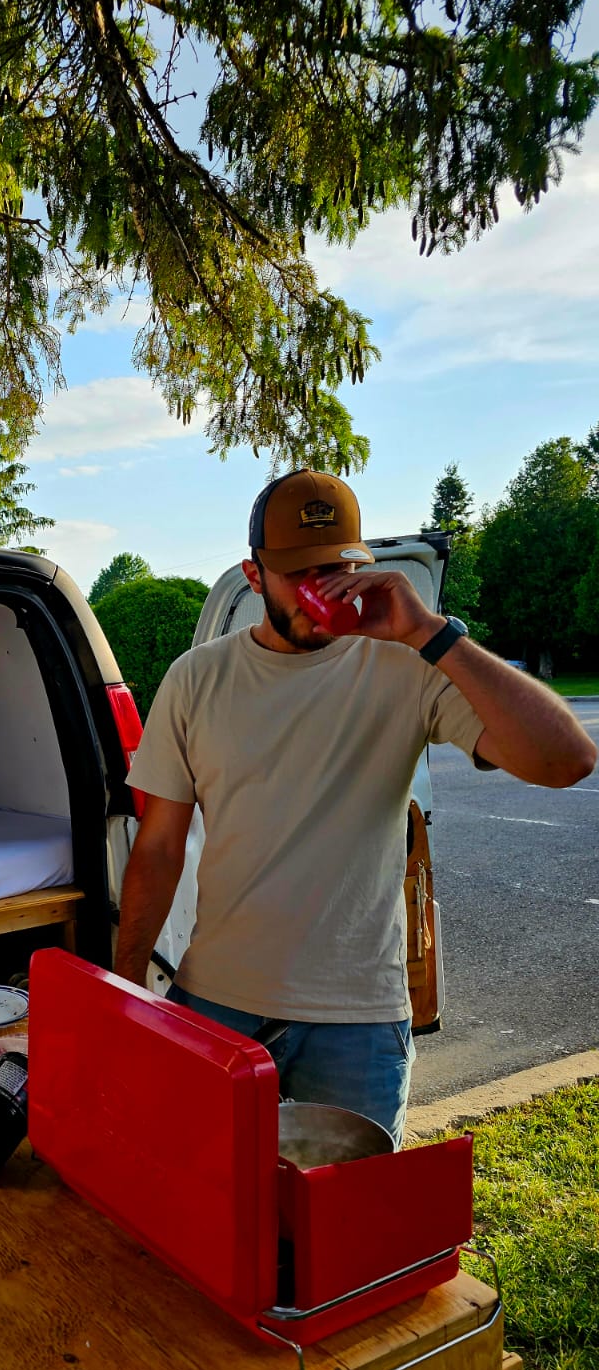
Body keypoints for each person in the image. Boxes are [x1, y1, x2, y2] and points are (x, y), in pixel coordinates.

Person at [114, 468, 596, 1144]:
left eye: (336, 568)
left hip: (358, 1018)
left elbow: (565, 759)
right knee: (205, 1203)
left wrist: (430, 631)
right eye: (298, 573)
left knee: (346, 1229)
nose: (323, 590)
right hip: (217, 1002)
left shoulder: (406, 664)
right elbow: (160, 846)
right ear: (254, 577)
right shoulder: (198, 678)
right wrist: (129, 981)